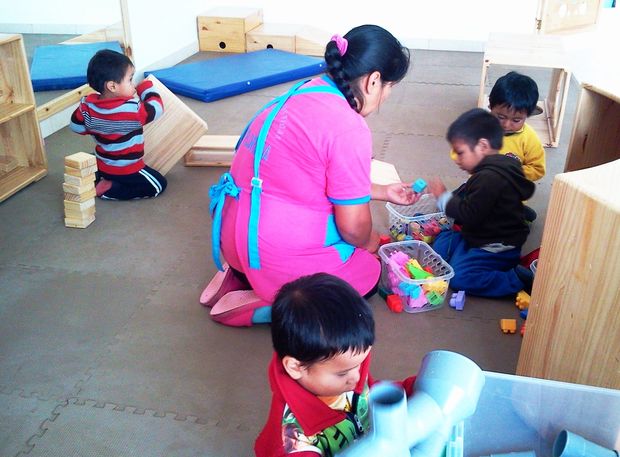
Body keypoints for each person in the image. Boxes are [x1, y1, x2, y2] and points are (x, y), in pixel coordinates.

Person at [202, 25, 417, 327]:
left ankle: (238, 276)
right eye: (389, 87)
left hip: (232, 237)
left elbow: (305, 178)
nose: (387, 96)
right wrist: (370, 242)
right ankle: (270, 305)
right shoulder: (348, 127)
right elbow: (353, 229)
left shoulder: (304, 90)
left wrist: (382, 191)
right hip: (270, 252)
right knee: (368, 275)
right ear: (373, 81)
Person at [255, 273, 416, 456]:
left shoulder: (347, 367)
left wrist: (415, 388)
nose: (356, 378)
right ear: (296, 367)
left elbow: (370, 394)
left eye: (360, 363)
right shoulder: (292, 438)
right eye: (342, 373)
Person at [428, 108, 536, 297]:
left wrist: (443, 197)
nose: (456, 159)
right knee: (442, 243)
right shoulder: (496, 167)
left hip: (494, 247)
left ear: (483, 146)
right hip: (479, 233)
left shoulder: (489, 178)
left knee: (459, 278)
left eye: (460, 153)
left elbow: (468, 214)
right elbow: (470, 195)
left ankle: (515, 278)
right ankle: (462, 257)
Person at [70, 49, 167, 200]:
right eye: (130, 80)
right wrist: (146, 88)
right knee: (158, 185)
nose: (133, 85)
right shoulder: (131, 110)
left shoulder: (86, 107)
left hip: (103, 163)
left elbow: (76, 127)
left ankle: (98, 177)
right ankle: (110, 190)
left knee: (94, 159)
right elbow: (157, 108)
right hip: (127, 168)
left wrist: (99, 126)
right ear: (112, 86)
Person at [450, 71, 545, 221]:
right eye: (500, 117)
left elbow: (538, 169)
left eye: (516, 120)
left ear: (527, 116)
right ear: (490, 106)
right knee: (454, 205)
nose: (506, 124)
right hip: (479, 190)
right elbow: (457, 151)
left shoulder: (529, 138)